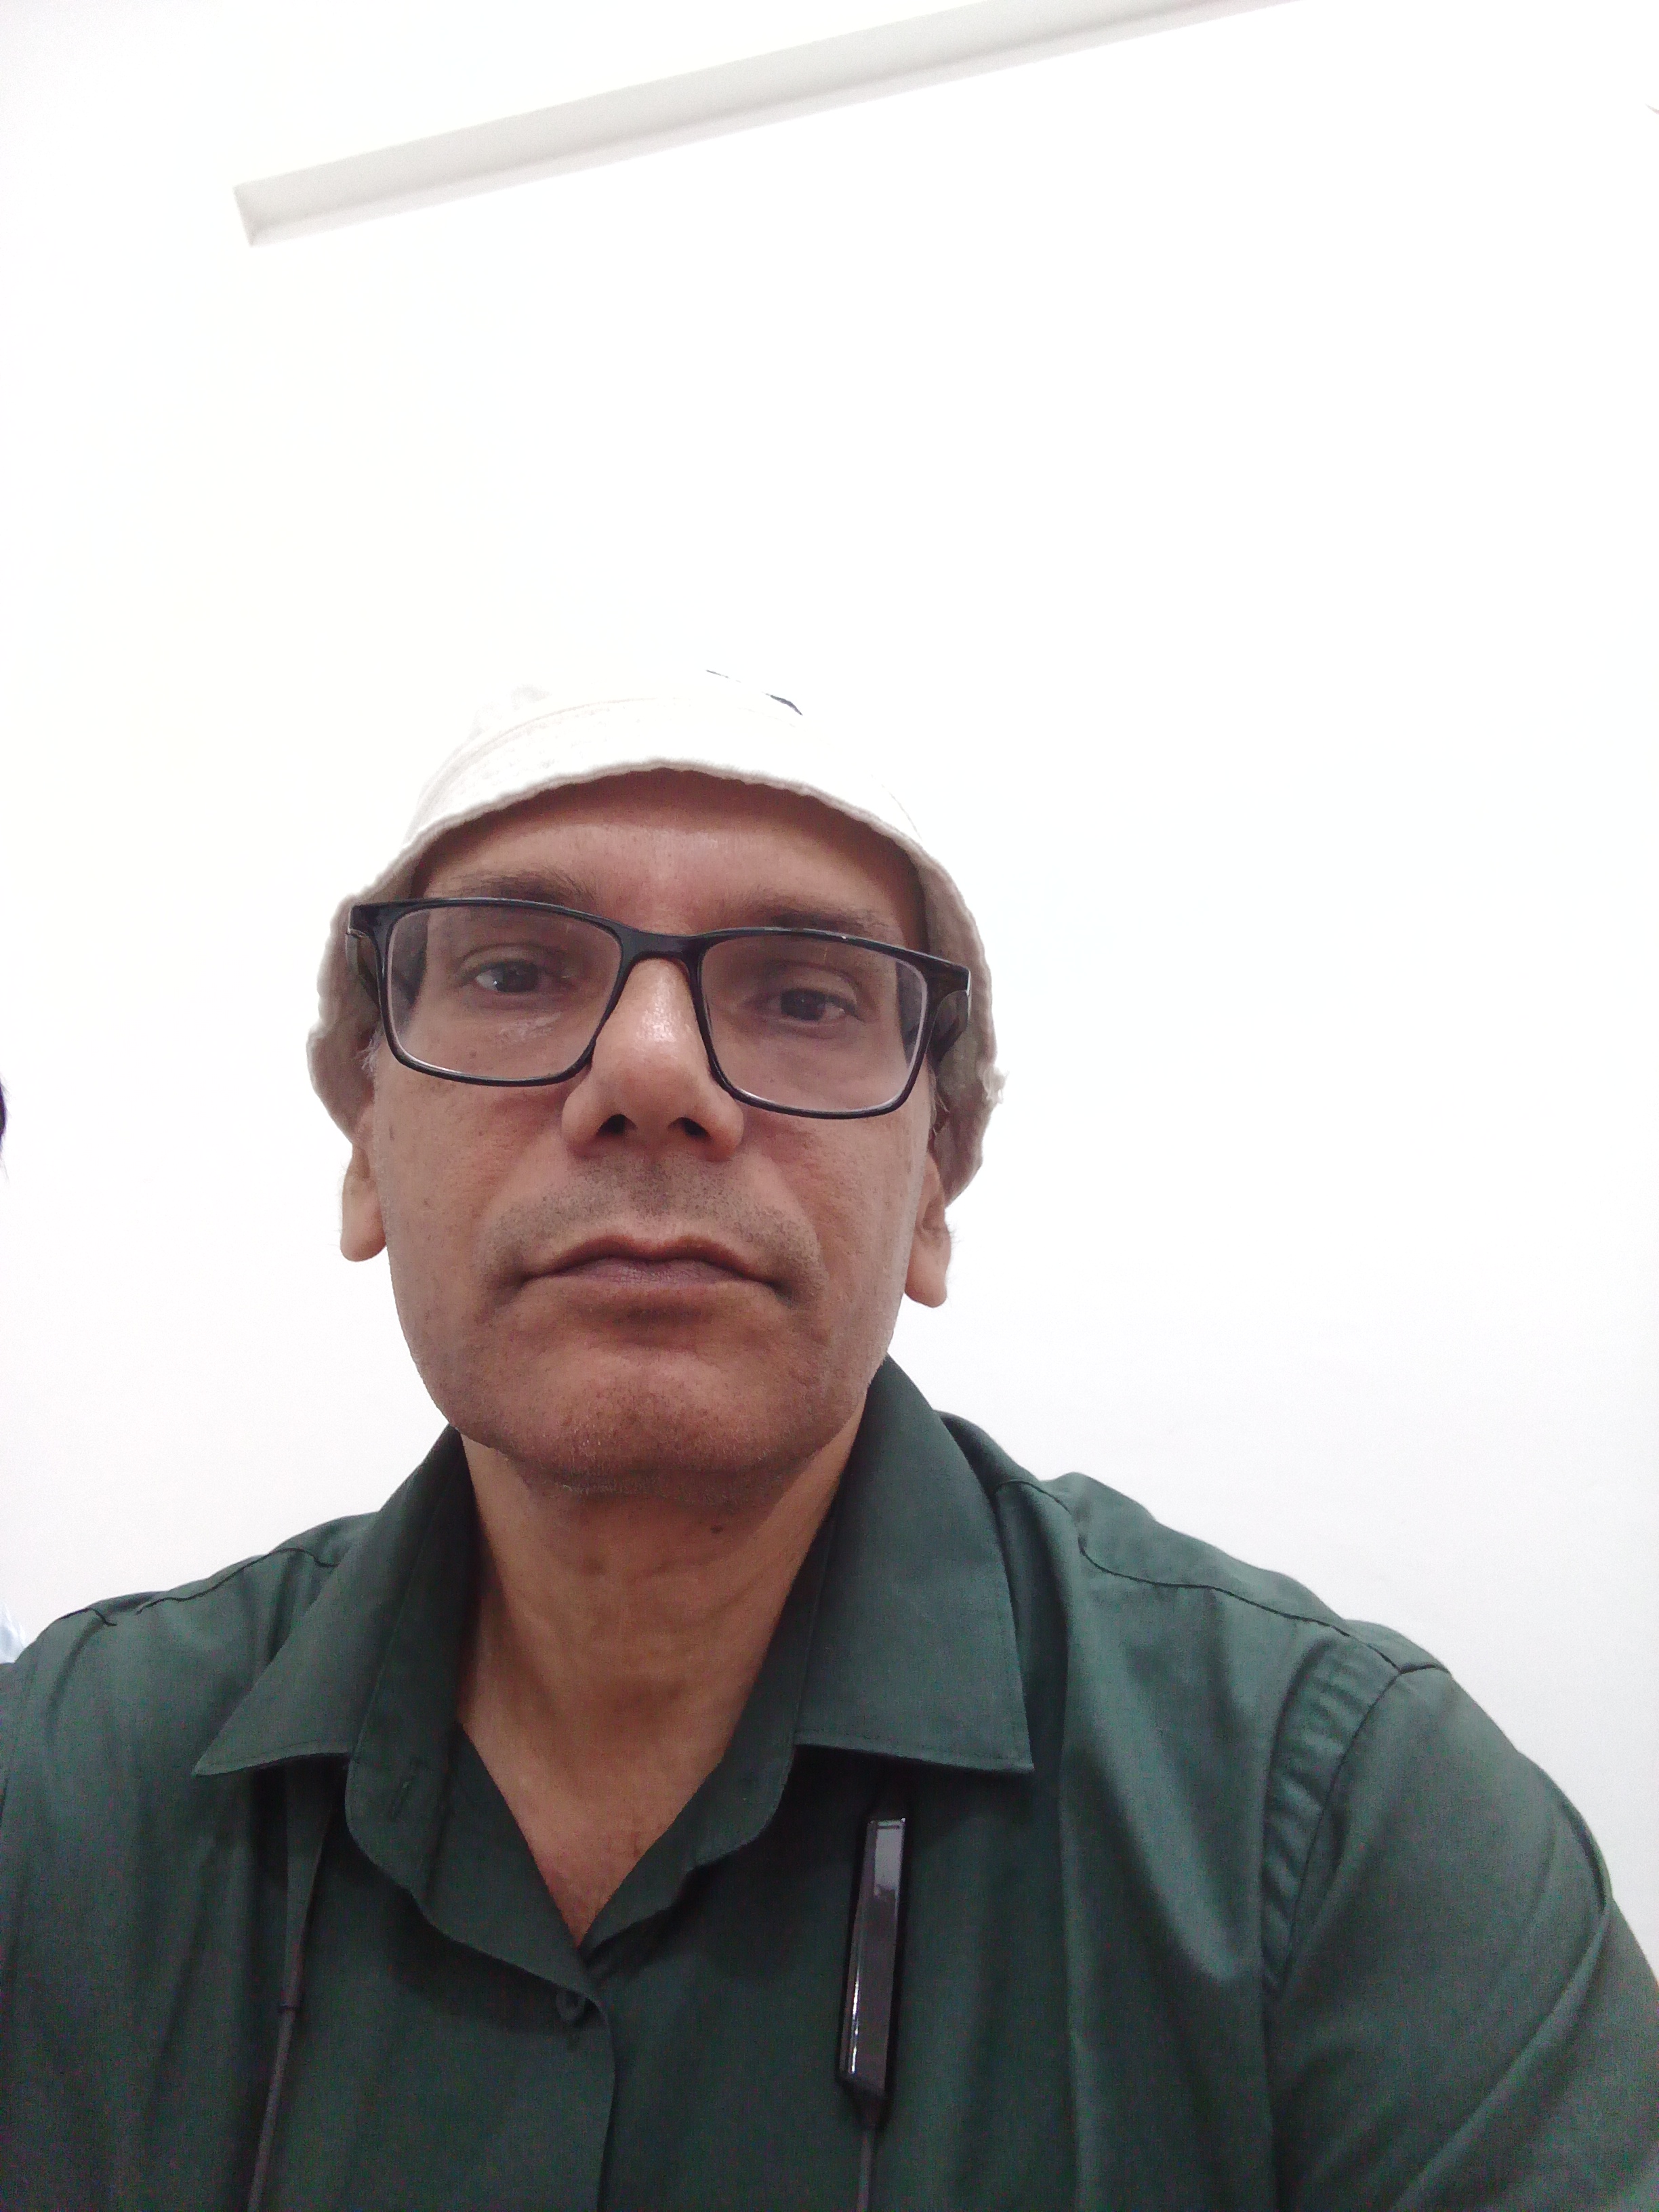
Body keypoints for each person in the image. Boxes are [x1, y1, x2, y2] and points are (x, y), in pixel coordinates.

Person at [0, 669, 1654, 2211]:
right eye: (515, 974)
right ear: (367, 1147)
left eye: (802, 997)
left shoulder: (1339, 1834)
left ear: (933, 1190)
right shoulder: (59, 1797)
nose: (652, 1072)